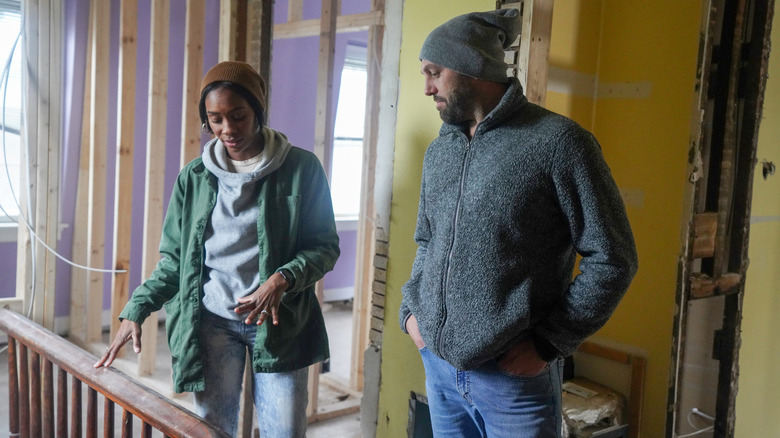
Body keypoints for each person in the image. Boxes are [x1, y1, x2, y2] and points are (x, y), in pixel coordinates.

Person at [399, 9, 638, 438]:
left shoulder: (558, 143)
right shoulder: (441, 151)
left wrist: (550, 343)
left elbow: (613, 257)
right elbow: (427, 240)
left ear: (473, 67)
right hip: (438, 370)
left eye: (435, 72)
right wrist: (411, 314)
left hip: (514, 384)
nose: (426, 87)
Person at [94, 61, 340, 438]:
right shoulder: (194, 177)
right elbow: (176, 261)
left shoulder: (301, 168)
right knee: (212, 429)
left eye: (238, 116)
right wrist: (137, 309)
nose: (227, 129)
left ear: (257, 111)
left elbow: (324, 246)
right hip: (210, 322)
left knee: (285, 430)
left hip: (278, 323)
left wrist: (282, 278)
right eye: (215, 119)